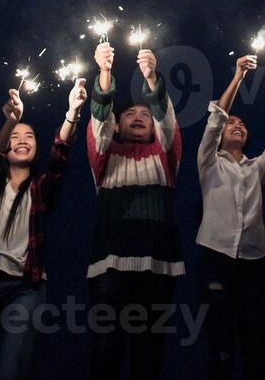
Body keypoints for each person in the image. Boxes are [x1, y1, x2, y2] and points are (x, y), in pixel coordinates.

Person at [0, 77, 89, 380]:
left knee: (10, 370)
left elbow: (60, 156)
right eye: (15, 137)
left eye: (29, 135)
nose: (22, 139)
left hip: (25, 288)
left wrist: (72, 113)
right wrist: (12, 119)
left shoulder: (41, 189)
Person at [195, 54, 265, 379]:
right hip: (215, 256)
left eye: (242, 124)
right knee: (221, 343)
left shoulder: (255, 168)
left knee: (255, 344)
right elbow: (215, 118)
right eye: (233, 123)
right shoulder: (208, 161)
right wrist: (239, 76)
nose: (238, 125)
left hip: (254, 261)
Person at [86, 42, 184, 380]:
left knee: (148, 362)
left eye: (144, 114)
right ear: (118, 125)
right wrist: (104, 72)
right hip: (110, 270)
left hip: (157, 269)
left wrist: (151, 77)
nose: (139, 117)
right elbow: (99, 120)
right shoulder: (104, 155)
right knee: (105, 358)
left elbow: (166, 120)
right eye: (130, 114)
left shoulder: (165, 155)